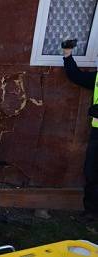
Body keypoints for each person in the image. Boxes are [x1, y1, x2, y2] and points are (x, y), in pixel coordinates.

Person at [62, 43, 98, 222]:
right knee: (91, 172)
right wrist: (67, 54)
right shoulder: (97, 77)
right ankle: (91, 212)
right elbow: (76, 76)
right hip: (97, 133)